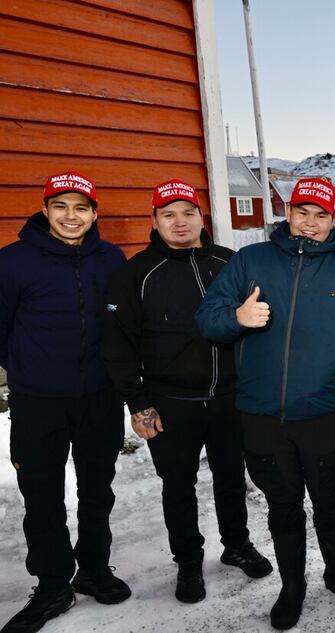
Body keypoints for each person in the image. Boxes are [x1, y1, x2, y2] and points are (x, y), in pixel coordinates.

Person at [194, 177, 335, 630]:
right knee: (283, 506)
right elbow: (208, 319)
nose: (310, 223)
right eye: (303, 212)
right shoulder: (250, 261)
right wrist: (236, 318)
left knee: (331, 502)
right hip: (261, 415)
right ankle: (292, 587)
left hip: (323, 415)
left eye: (321, 215)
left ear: (333, 220)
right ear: (289, 213)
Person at [101, 179, 272, 604]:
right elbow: (118, 345)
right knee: (177, 485)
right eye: (169, 214)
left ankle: (236, 545)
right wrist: (138, 404)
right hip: (171, 403)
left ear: (202, 218)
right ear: (154, 222)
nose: (180, 222)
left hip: (231, 398)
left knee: (231, 477)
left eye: (188, 212)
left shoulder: (229, 264)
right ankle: (189, 560)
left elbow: (261, 324)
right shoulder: (135, 273)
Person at [0, 172, 130, 633]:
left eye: (80, 207)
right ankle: (53, 584)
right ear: (45, 210)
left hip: (99, 396)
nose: (70, 216)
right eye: (61, 206)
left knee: (98, 488)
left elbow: (123, 325)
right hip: (39, 400)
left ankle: (93, 569)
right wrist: (25, 367)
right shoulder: (13, 262)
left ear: (94, 213)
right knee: (42, 495)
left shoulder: (111, 259)